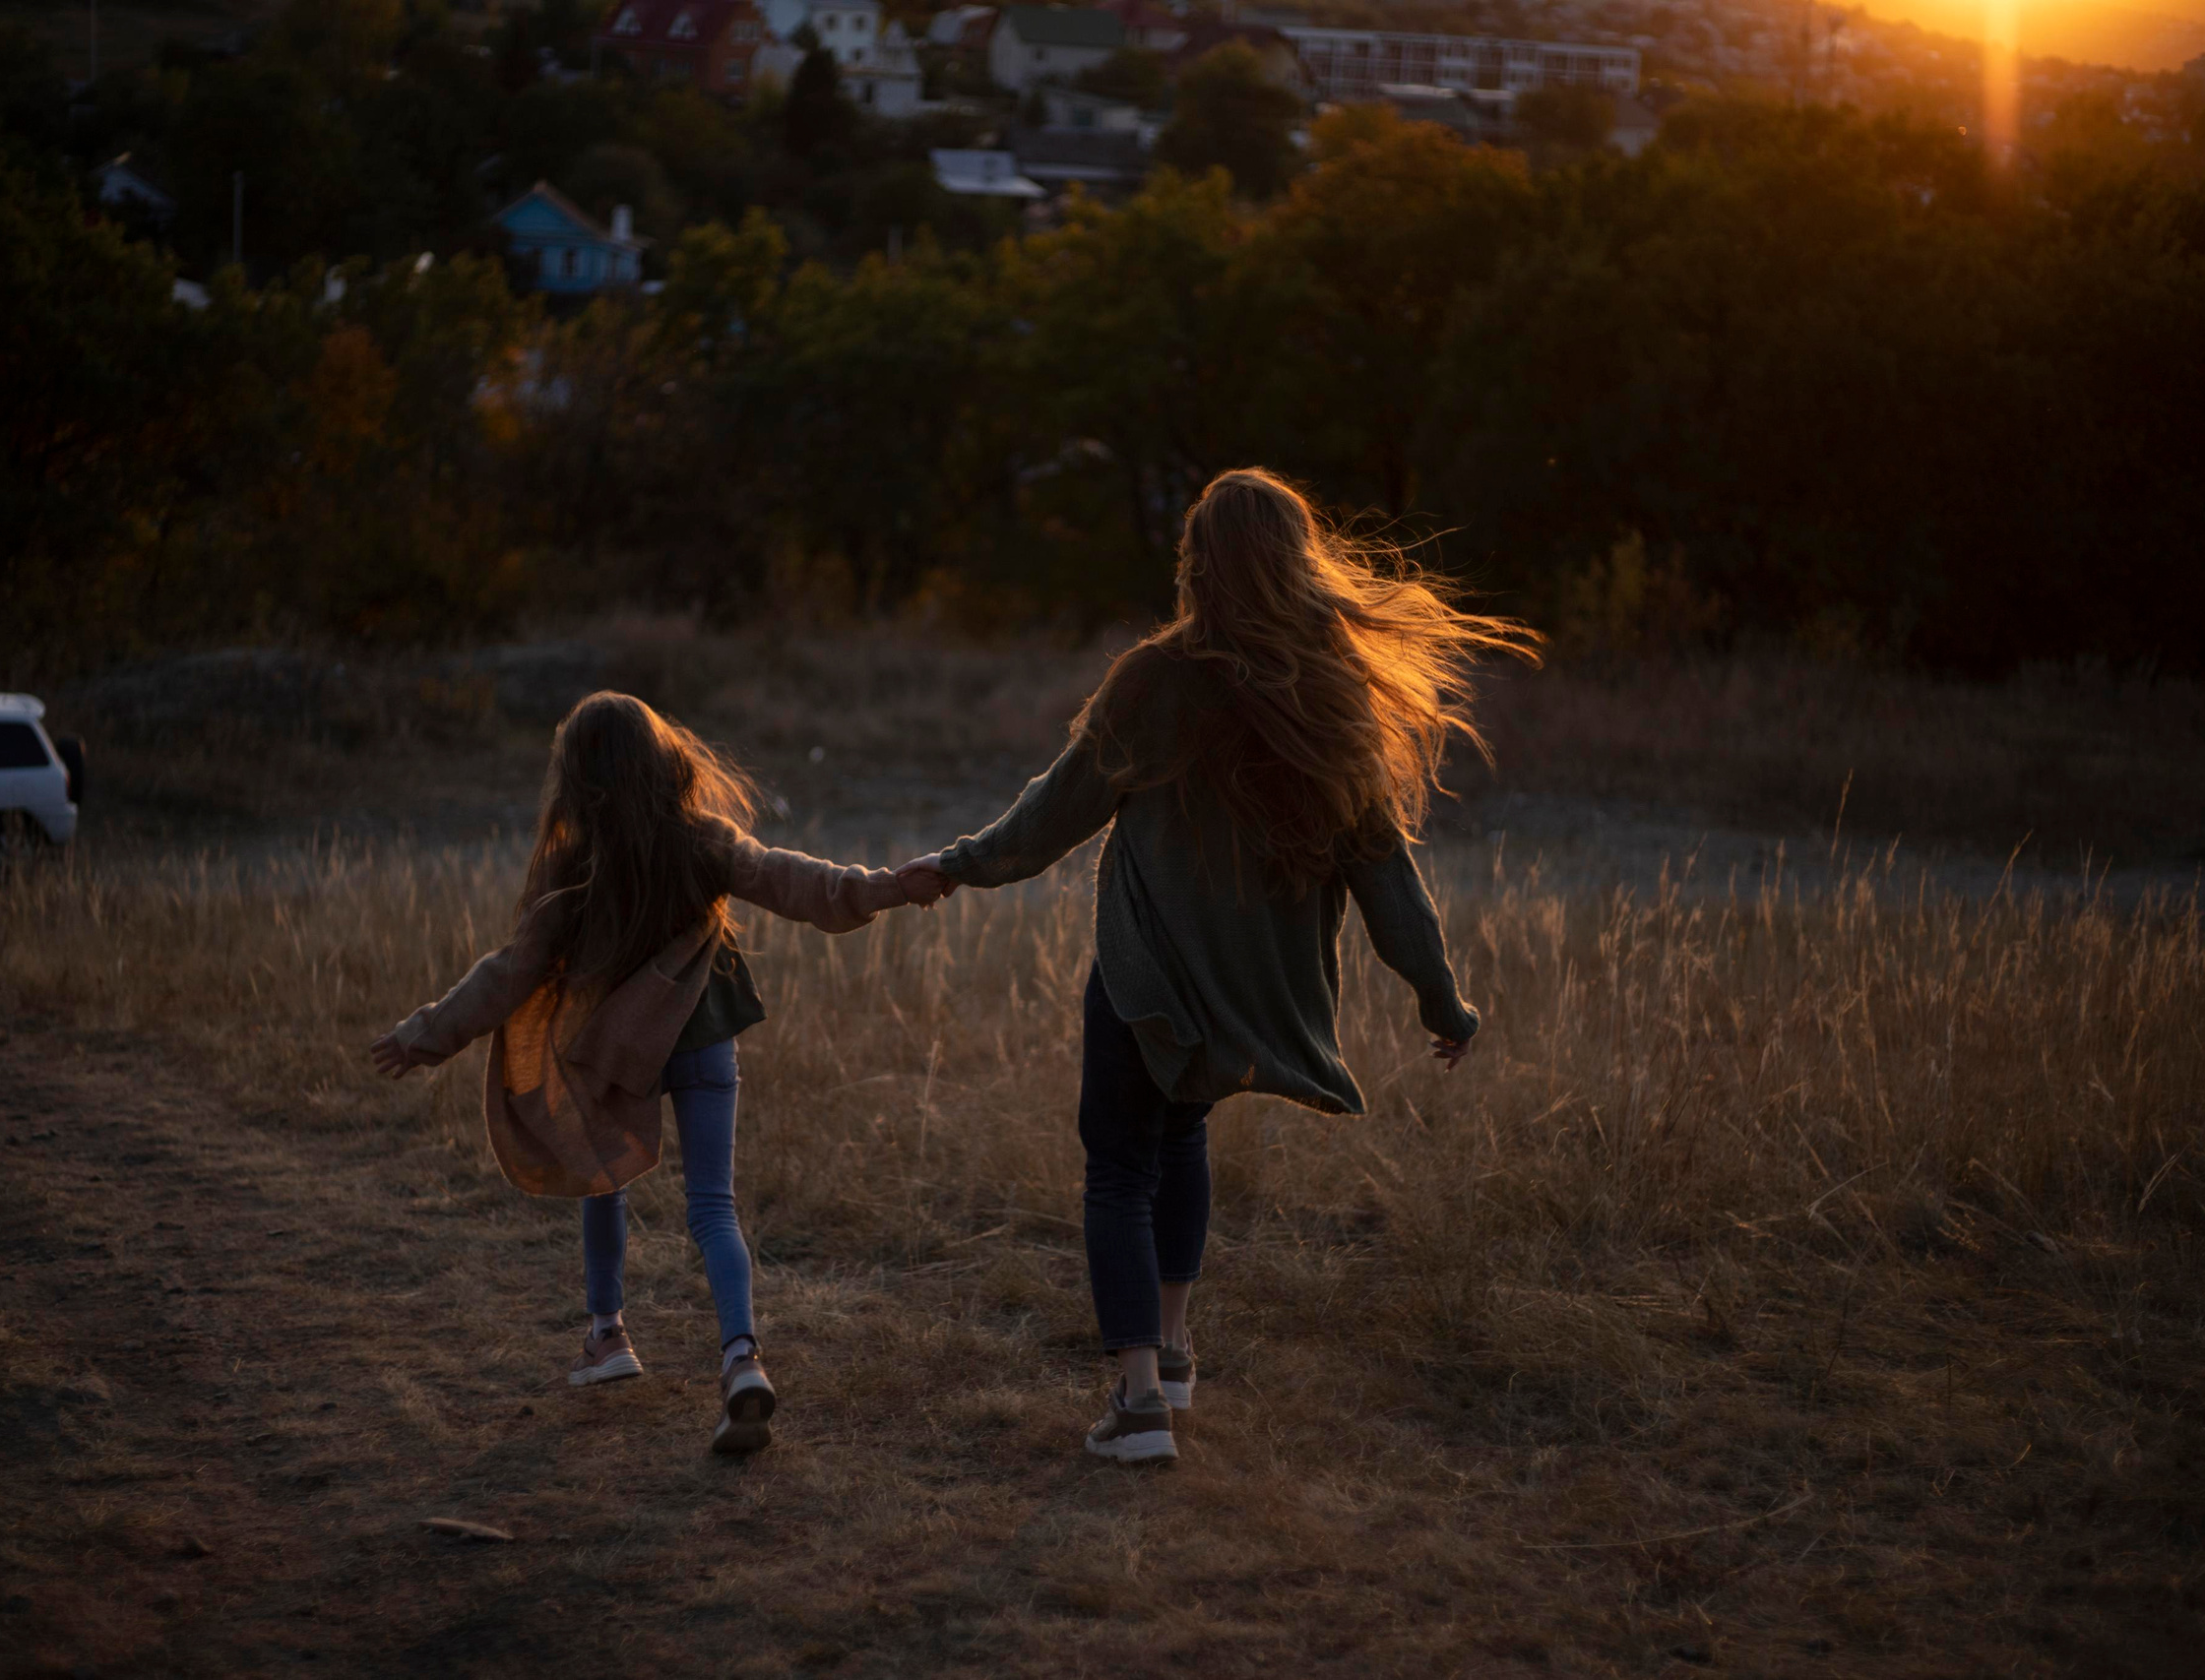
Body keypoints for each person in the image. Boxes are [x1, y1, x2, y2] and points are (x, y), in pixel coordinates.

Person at [899, 468, 1537, 1466]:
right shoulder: (1328, 702)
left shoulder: (1158, 679)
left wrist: (961, 864)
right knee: (1177, 1142)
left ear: (1198, 563)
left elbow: (1058, 808)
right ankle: (1178, 1350)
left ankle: (1138, 1396)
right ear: (1298, 563)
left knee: (1117, 1166)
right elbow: (1387, 875)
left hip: (1144, 978)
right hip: (1240, 991)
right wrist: (1440, 998)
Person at [371, 692, 939, 1456]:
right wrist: (886, 885)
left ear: (576, 780)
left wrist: (425, 1034)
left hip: (618, 1050)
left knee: (603, 1173)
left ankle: (608, 1336)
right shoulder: (702, 841)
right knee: (713, 1207)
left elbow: (507, 974)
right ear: (662, 759)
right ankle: (741, 1359)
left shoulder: (575, 869)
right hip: (704, 1037)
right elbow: (795, 880)